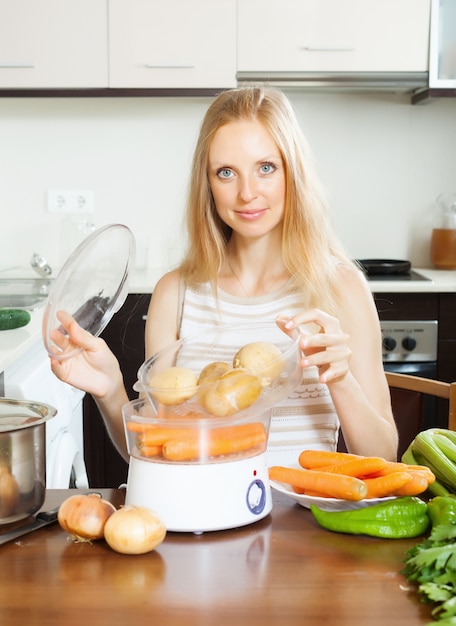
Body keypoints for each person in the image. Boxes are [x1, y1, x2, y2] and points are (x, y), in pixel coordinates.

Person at [50, 84, 398, 467]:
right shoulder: (177, 292)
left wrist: (340, 378)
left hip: (301, 523)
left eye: (266, 168)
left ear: (292, 172)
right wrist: (111, 388)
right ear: (209, 184)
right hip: (204, 518)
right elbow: (153, 451)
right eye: (226, 172)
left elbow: (382, 455)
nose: (247, 193)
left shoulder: (341, 288)